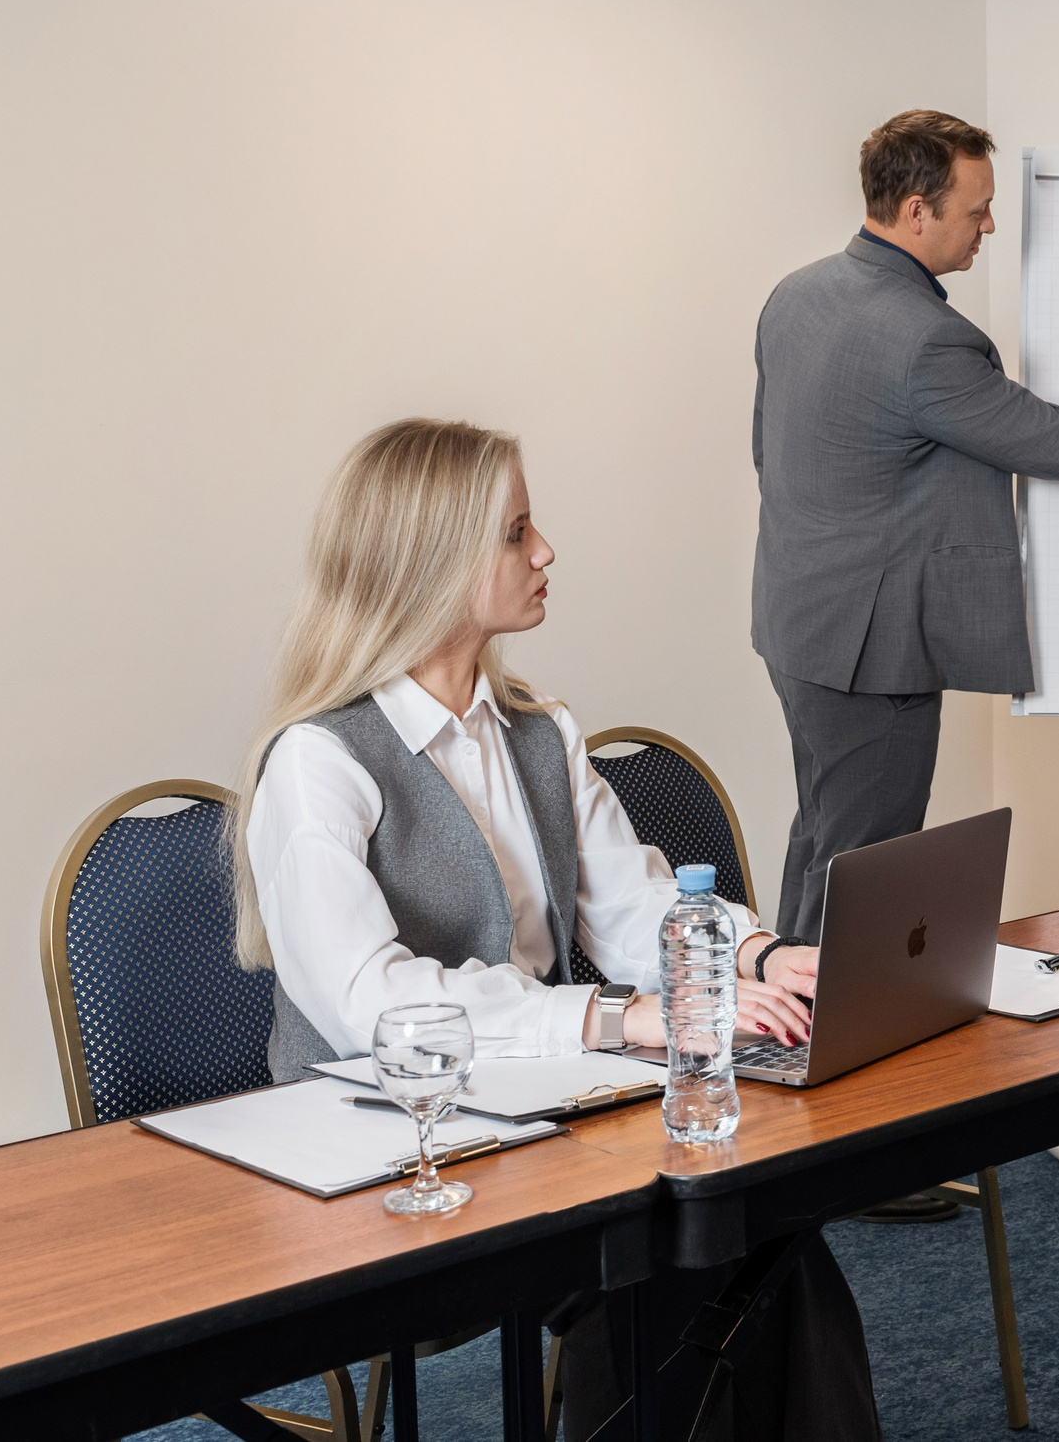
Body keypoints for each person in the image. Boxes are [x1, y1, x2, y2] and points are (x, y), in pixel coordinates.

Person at [237, 418, 877, 1441]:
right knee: (665, 1262)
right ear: (431, 562)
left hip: (528, 1112)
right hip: (380, 1151)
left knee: (757, 1236)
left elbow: (632, 904)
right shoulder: (320, 762)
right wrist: (614, 1021)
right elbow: (375, 1008)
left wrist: (753, 952)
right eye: (516, 532)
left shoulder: (537, 732)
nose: (545, 552)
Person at [752, 110, 1059, 946]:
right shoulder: (928, 340)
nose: (990, 226)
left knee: (823, 844)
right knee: (863, 867)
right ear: (915, 213)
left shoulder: (794, 296)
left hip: (798, 631)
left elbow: (769, 454)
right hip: (874, 657)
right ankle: (818, 1053)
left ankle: (780, 1034)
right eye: (976, 210)